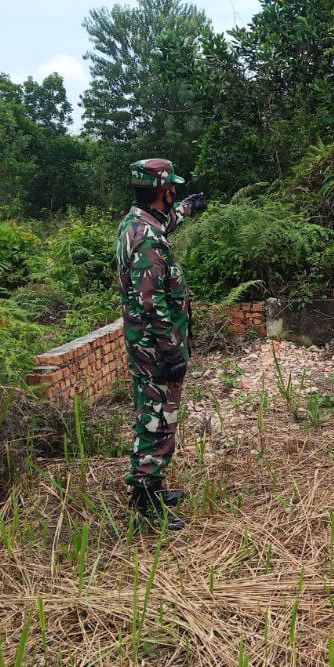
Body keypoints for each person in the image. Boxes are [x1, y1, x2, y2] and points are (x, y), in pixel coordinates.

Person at [116, 158, 207, 530]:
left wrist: (187, 209)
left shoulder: (135, 223)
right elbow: (149, 301)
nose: (176, 197)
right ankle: (146, 501)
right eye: (175, 193)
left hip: (146, 344)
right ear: (165, 191)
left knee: (154, 414)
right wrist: (171, 351)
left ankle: (152, 486)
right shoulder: (149, 239)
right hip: (156, 348)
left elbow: (164, 221)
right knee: (157, 419)